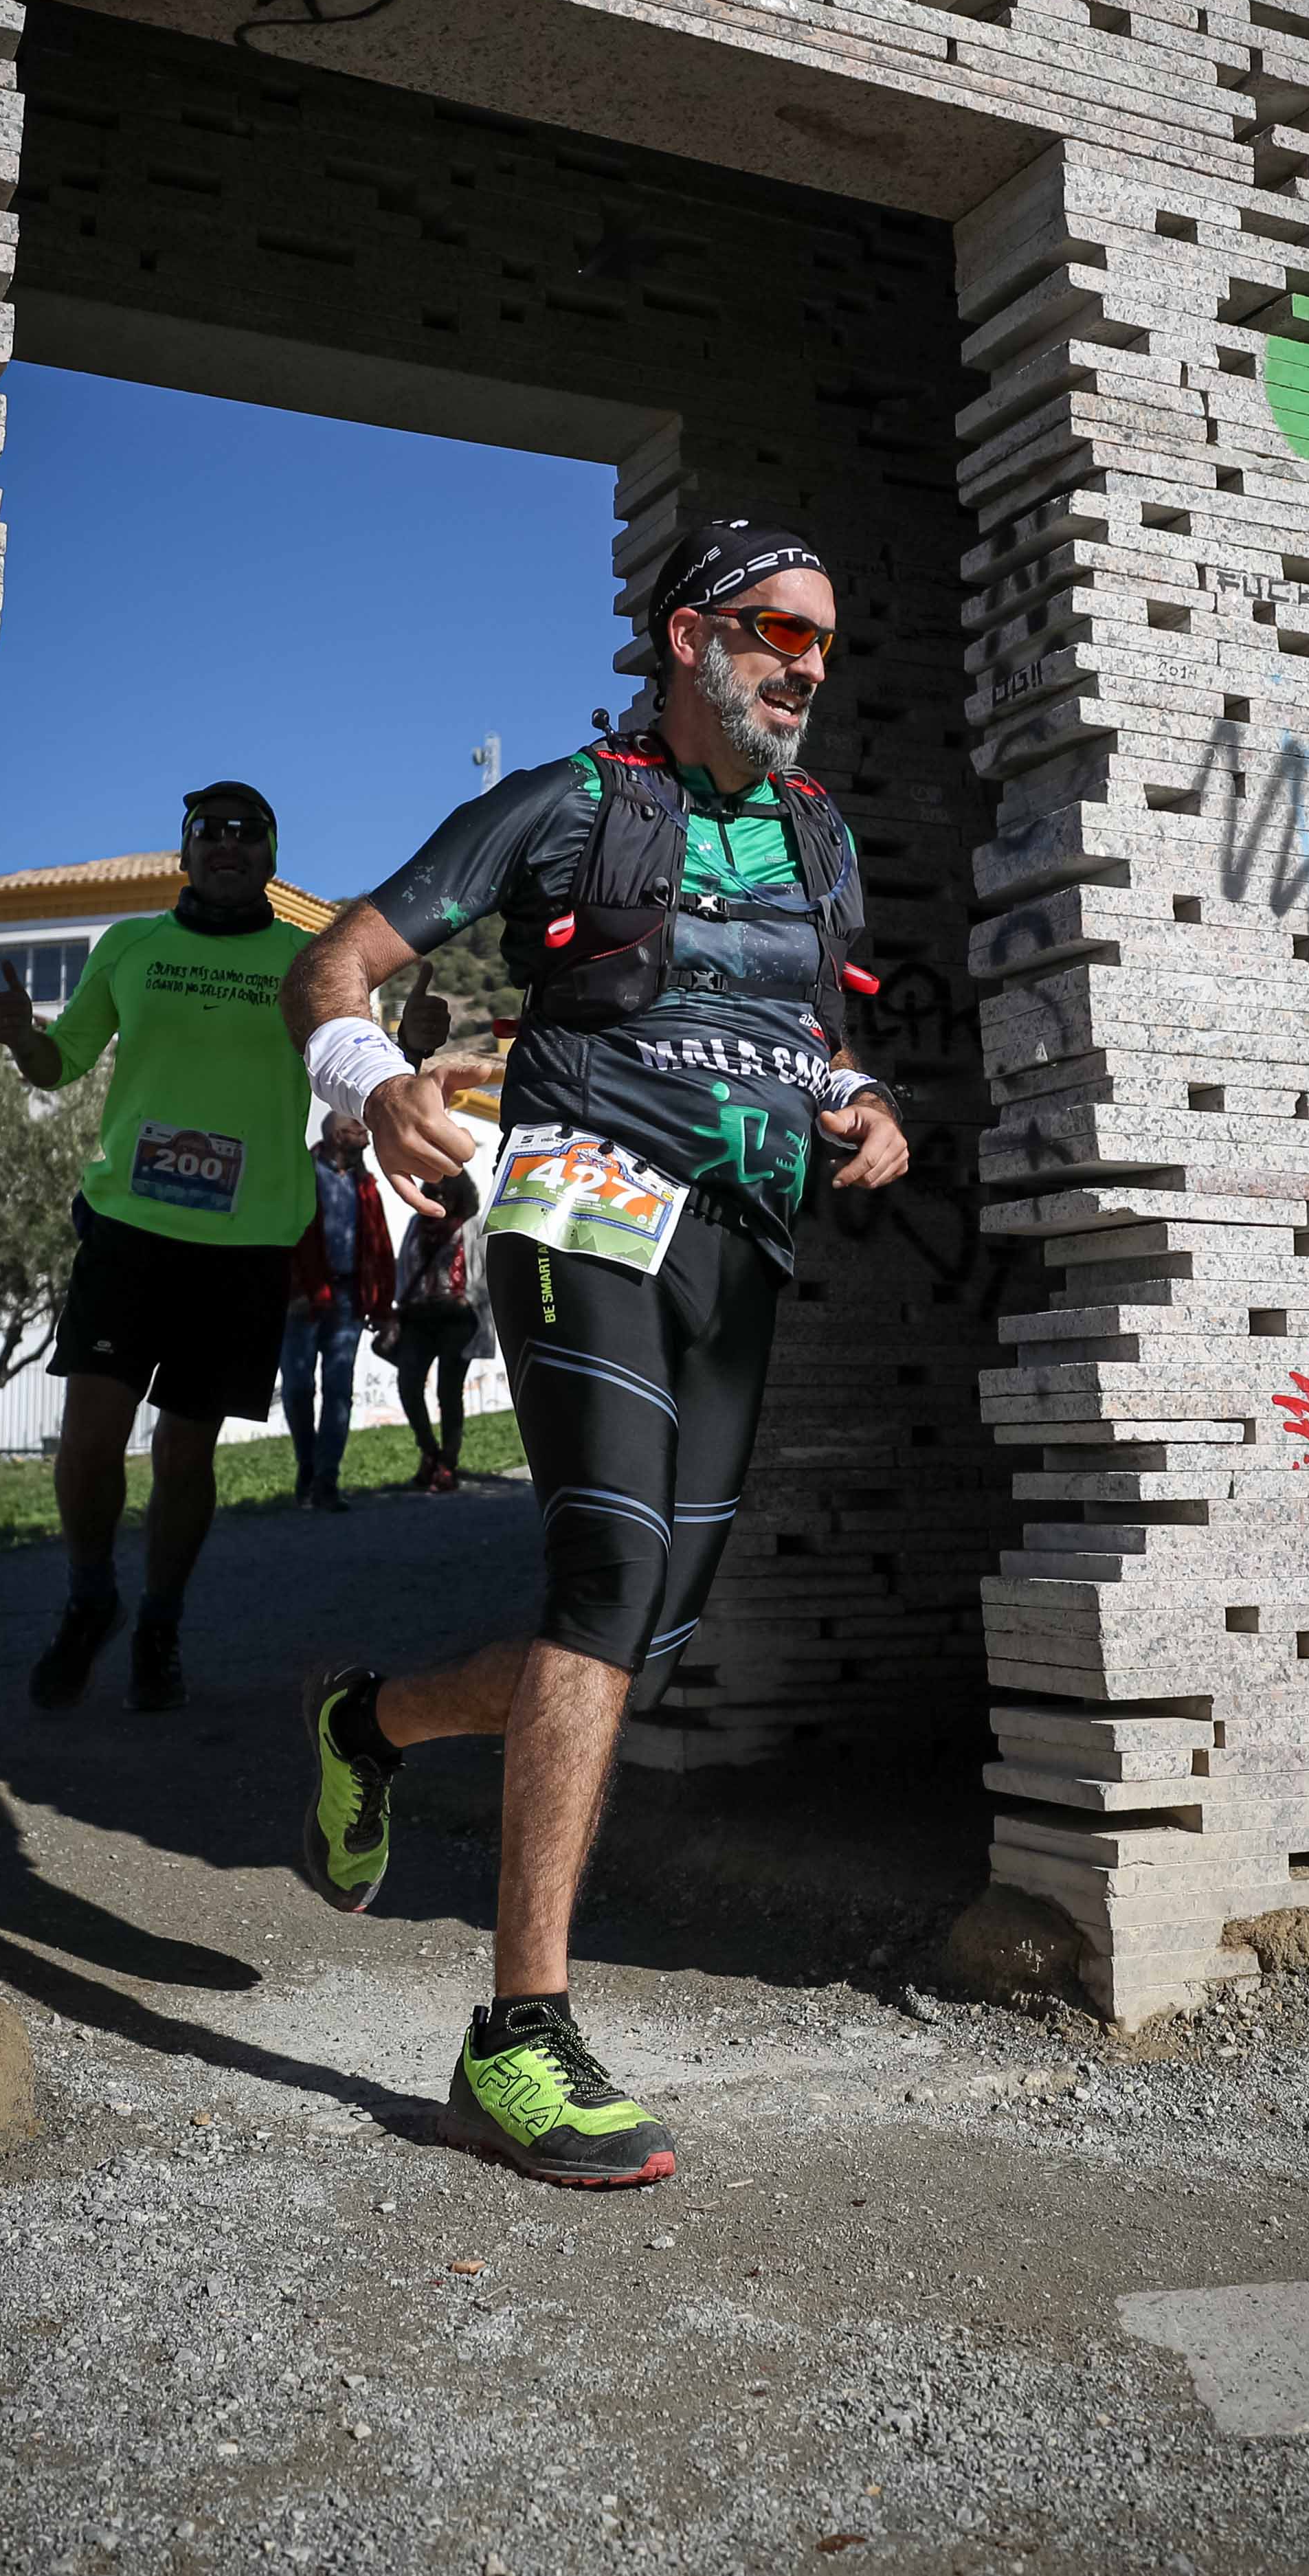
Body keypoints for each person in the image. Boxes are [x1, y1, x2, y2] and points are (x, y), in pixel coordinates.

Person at [282, 515, 908, 2188]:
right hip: (578, 1205)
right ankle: (517, 2037)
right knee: (602, 1567)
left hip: (739, 1238)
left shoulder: (817, 840)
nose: (804, 664)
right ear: (690, 637)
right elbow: (332, 958)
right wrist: (371, 1081)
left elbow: (806, 1032)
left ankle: (371, 1726)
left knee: (644, 1632)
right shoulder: (563, 806)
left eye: (824, 641)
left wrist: (857, 1108)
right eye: (778, 628)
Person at [0, 781, 314, 1714]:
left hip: (243, 1243)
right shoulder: (129, 945)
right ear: (183, 852)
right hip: (129, 1228)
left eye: (248, 832)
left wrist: (407, 1046)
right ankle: (91, 1595)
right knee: (89, 1441)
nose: (228, 845)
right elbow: (64, 1061)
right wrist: (22, 1041)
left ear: (269, 857)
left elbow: (349, 1057)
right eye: (209, 832)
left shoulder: (305, 961)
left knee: (183, 1452)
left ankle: (161, 1624)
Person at [284, 1111, 394, 1513]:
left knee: (339, 1391)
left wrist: (383, 1308)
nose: (365, 1132)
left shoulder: (366, 1184)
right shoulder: (300, 1173)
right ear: (334, 1132)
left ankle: (326, 1481)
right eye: (357, 1126)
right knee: (297, 1388)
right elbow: (283, 1233)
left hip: (348, 1299)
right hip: (301, 1299)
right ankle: (307, 1466)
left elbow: (381, 1247)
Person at [390, 1167, 490, 1492]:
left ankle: (448, 1463)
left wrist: (469, 1299)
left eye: (447, 1192)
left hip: (458, 1318)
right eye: (434, 1192)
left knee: (448, 1391)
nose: (441, 1197)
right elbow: (404, 1263)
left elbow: (490, 1272)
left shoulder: (474, 1226)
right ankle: (429, 1451)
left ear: (463, 1193)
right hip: (419, 1315)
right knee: (408, 1383)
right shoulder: (417, 1225)